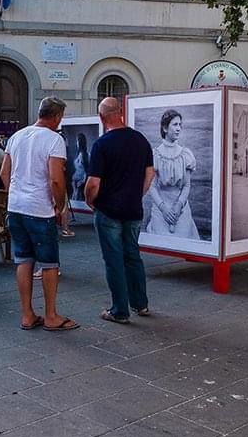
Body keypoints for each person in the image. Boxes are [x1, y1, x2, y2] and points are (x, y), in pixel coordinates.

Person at [1, 96, 77, 331]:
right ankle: (51, 315)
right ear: (56, 116)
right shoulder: (54, 140)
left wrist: (14, 194)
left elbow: (5, 172)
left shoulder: (17, 136)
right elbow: (56, 179)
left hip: (16, 207)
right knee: (49, 263)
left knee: (23, 260)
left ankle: (27, 315)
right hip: (39, 208)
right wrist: (59, 204)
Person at [84, 97, 155, 324]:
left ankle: (120, 310)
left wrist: (90, 201)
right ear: (121, 113)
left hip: (109, 211)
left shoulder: (102, 145)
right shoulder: (140, 140)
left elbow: (93, 182)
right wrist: (137, 194)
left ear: (102, 118)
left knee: (114, 260)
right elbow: (150, 173)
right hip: (133, 209)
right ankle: (140, 304)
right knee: (133, 256)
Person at [144, 109, 199, 238]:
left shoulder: (185, 155)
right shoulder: (155, 155)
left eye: (180, 125)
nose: (179, 128)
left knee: (184, 238)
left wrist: (178, 206)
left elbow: (186, 185)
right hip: (160, 207)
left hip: (181, 207)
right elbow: (152, 186)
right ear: (164, 128)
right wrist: (164, 209)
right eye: (175, 125)